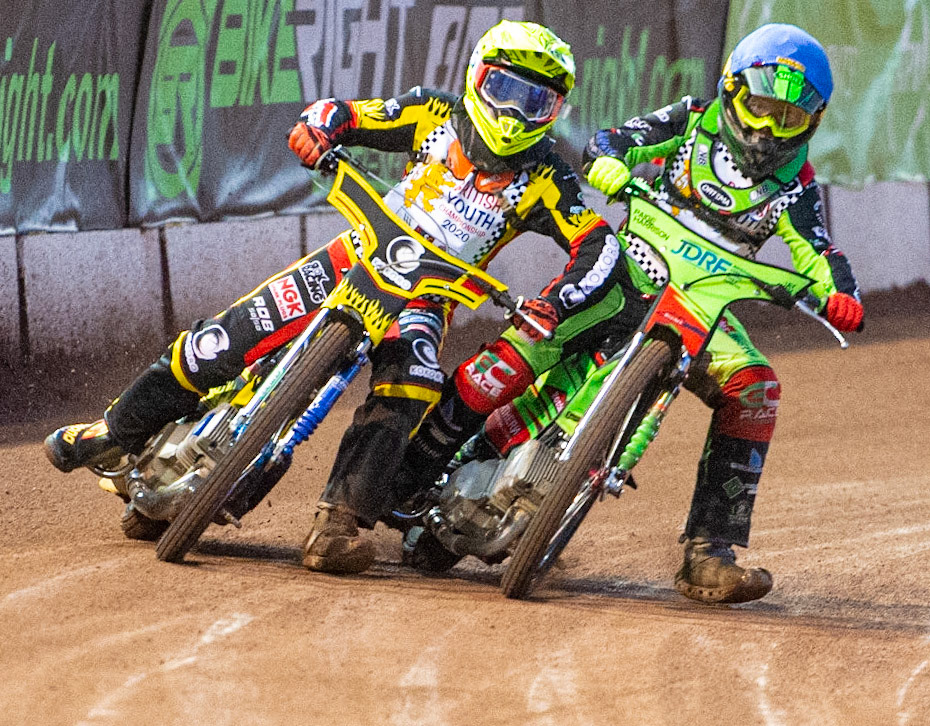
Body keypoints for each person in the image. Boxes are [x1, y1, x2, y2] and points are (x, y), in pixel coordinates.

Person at [43, 20, 643, 574]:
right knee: (221, 340)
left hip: (428, 298)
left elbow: (601, 249)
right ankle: (113, 431)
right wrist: (317, 130)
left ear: (555, 109)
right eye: (506, 89)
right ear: (477, 77)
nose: (515, 111)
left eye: (536, 100)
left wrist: (559, 300)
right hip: (353, 256)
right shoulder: (432, 114)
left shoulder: (549, 178)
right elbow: (344, 112)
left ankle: (339, 522)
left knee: (411, 387)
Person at [580, 23, 865, 604]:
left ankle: (710, 553)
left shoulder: (797, 186)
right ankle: (428, 466)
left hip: (704, 303)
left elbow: (821, 251)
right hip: (628, 269)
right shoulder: (690, 120)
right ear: (732, 90)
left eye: (786, 118)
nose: (765, 129)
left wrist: (842, 295)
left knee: (755, 386)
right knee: (542, 327)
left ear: (812, 123)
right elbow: (609, 139)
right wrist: (609, 162)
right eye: (759, 106)